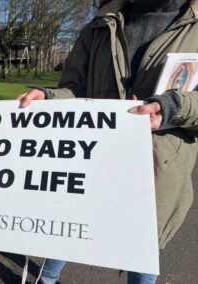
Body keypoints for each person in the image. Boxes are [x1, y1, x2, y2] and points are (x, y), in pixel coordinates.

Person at [17, 0, 198, 283]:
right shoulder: (101, 24)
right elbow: (74, 87)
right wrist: (49, 99)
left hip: (158, 169)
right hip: (92, 157)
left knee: (141, 249)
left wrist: (173, 107)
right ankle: (47, 279)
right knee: (68, 224)